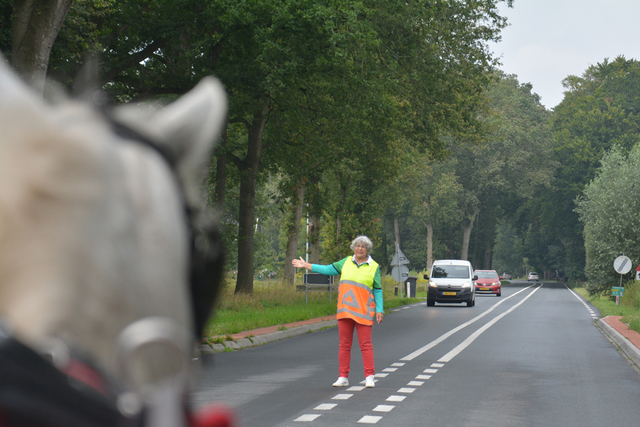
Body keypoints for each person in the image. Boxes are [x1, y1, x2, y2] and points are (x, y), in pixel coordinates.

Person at [292, 235, 383, 388]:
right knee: (344, 344)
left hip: (364, 311)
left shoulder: (374, 266)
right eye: (357, 245)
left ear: (367, 249)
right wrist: (307, 265)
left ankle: (369, 376)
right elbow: (327, 269)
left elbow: (378, 289)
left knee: (366, 345)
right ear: (354, 248)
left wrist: (380, 310)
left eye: (362, 246)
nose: (359, 248)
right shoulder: (346, 262)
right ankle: (343, 377)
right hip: (345, 310)